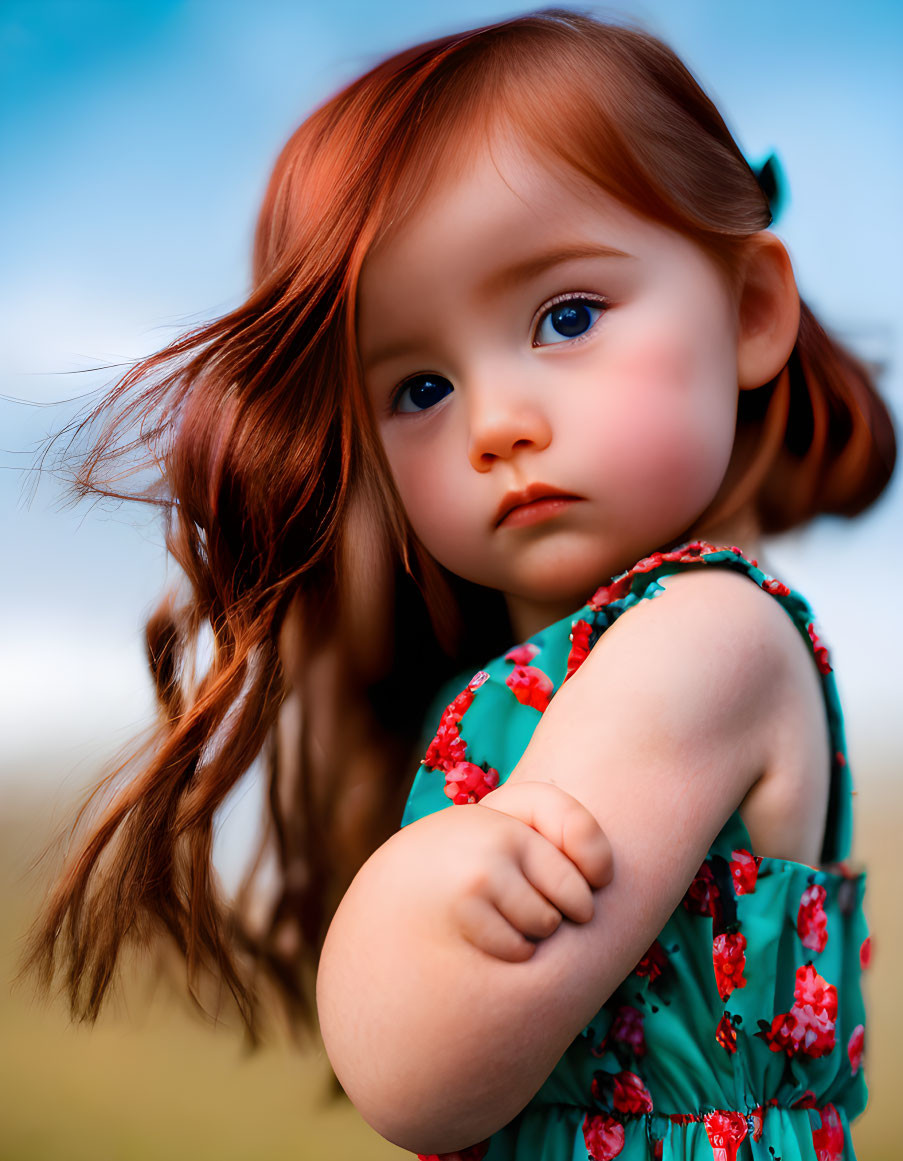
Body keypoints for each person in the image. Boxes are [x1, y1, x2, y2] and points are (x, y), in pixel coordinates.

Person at [26, 10, 894, 1161]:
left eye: (566, 316)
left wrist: (406, 900)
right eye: (421, 387)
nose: (497, 425)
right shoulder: (546, 674)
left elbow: (426, 1068)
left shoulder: (704, 640)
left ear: (750, 313)